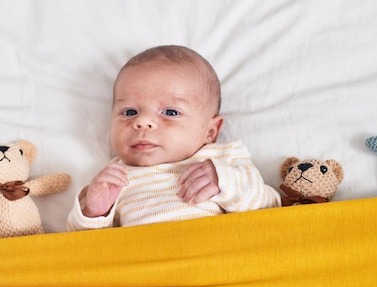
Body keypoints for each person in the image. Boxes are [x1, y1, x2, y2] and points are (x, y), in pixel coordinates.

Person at [66, 45, 280, 231]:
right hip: (146, 271)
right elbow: (85, 249)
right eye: (130, 112)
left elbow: (271, 208)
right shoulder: (115, 177)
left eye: (170, 112)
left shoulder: (222, 160)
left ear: (211, 131)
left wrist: (225, 182)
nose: (142, 122)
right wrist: (94, 212)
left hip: (213, 261)